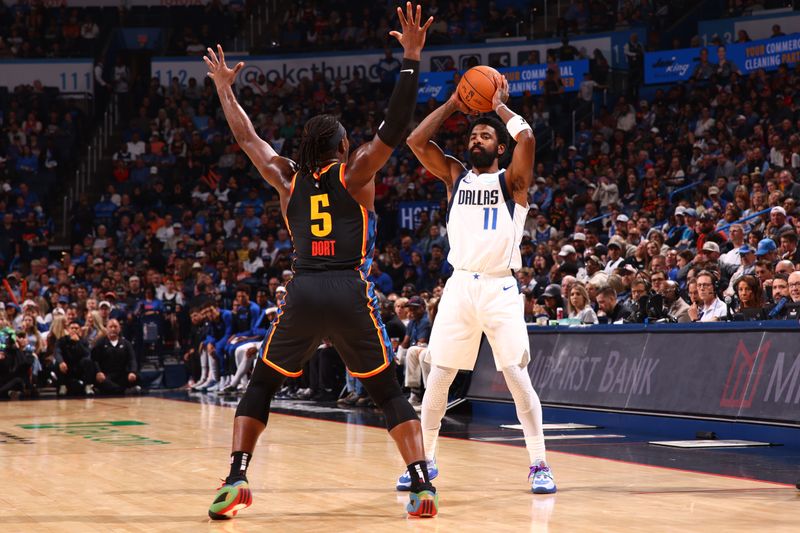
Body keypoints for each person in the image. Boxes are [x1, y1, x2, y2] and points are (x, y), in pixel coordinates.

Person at [204, 3, 438, 520]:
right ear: (342, 146)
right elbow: (396, 126)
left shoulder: (288, 179)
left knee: (262, 384)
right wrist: (412, 57)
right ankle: (422, 484)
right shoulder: (356, 174)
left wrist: (224, 89)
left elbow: (247, 139)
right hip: (349, 288)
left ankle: (237, 477)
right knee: (386, 390)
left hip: (304, 289)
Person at [403, 60, 556, 494]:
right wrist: (455, 101)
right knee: (439, 375)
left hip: (500, 287)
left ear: (499, 147)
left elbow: (527, 136)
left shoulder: (513, 183)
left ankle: (539, 464)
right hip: (459, 286)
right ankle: (425, 462)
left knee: (515, 374)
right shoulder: (454, 176)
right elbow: (416, 140)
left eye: (485, 135)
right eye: (473, 133)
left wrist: (499, 108)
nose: (476, 137)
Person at [91, 319, 139, 394]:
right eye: (111, 327)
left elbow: (132, 359)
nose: (113, 329)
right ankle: (124, 391)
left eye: (115, 327)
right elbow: (94, 360)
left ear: (119, 329)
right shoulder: (100, 343)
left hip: (122, 374)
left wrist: (133, 372)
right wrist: (98, 372)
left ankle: (118, 390)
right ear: (106, 328)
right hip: (106, 375)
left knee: (137, 377)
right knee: (102, 382)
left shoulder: (126, 344)